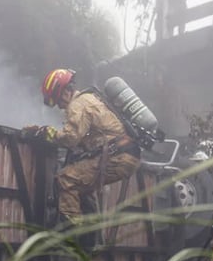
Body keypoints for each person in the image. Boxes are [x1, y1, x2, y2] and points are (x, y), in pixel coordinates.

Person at [23, 69, 141, 229]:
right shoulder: (89, 99)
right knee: (82, 189)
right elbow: (88, 138)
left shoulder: (77, 105)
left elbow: (70, 138)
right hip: (126, 154)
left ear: (64, 92)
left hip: (118, 156)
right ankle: (90, 236)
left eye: (57, 100)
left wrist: (47, 133)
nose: (58, 106)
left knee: (66, 180)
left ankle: (72, 235)